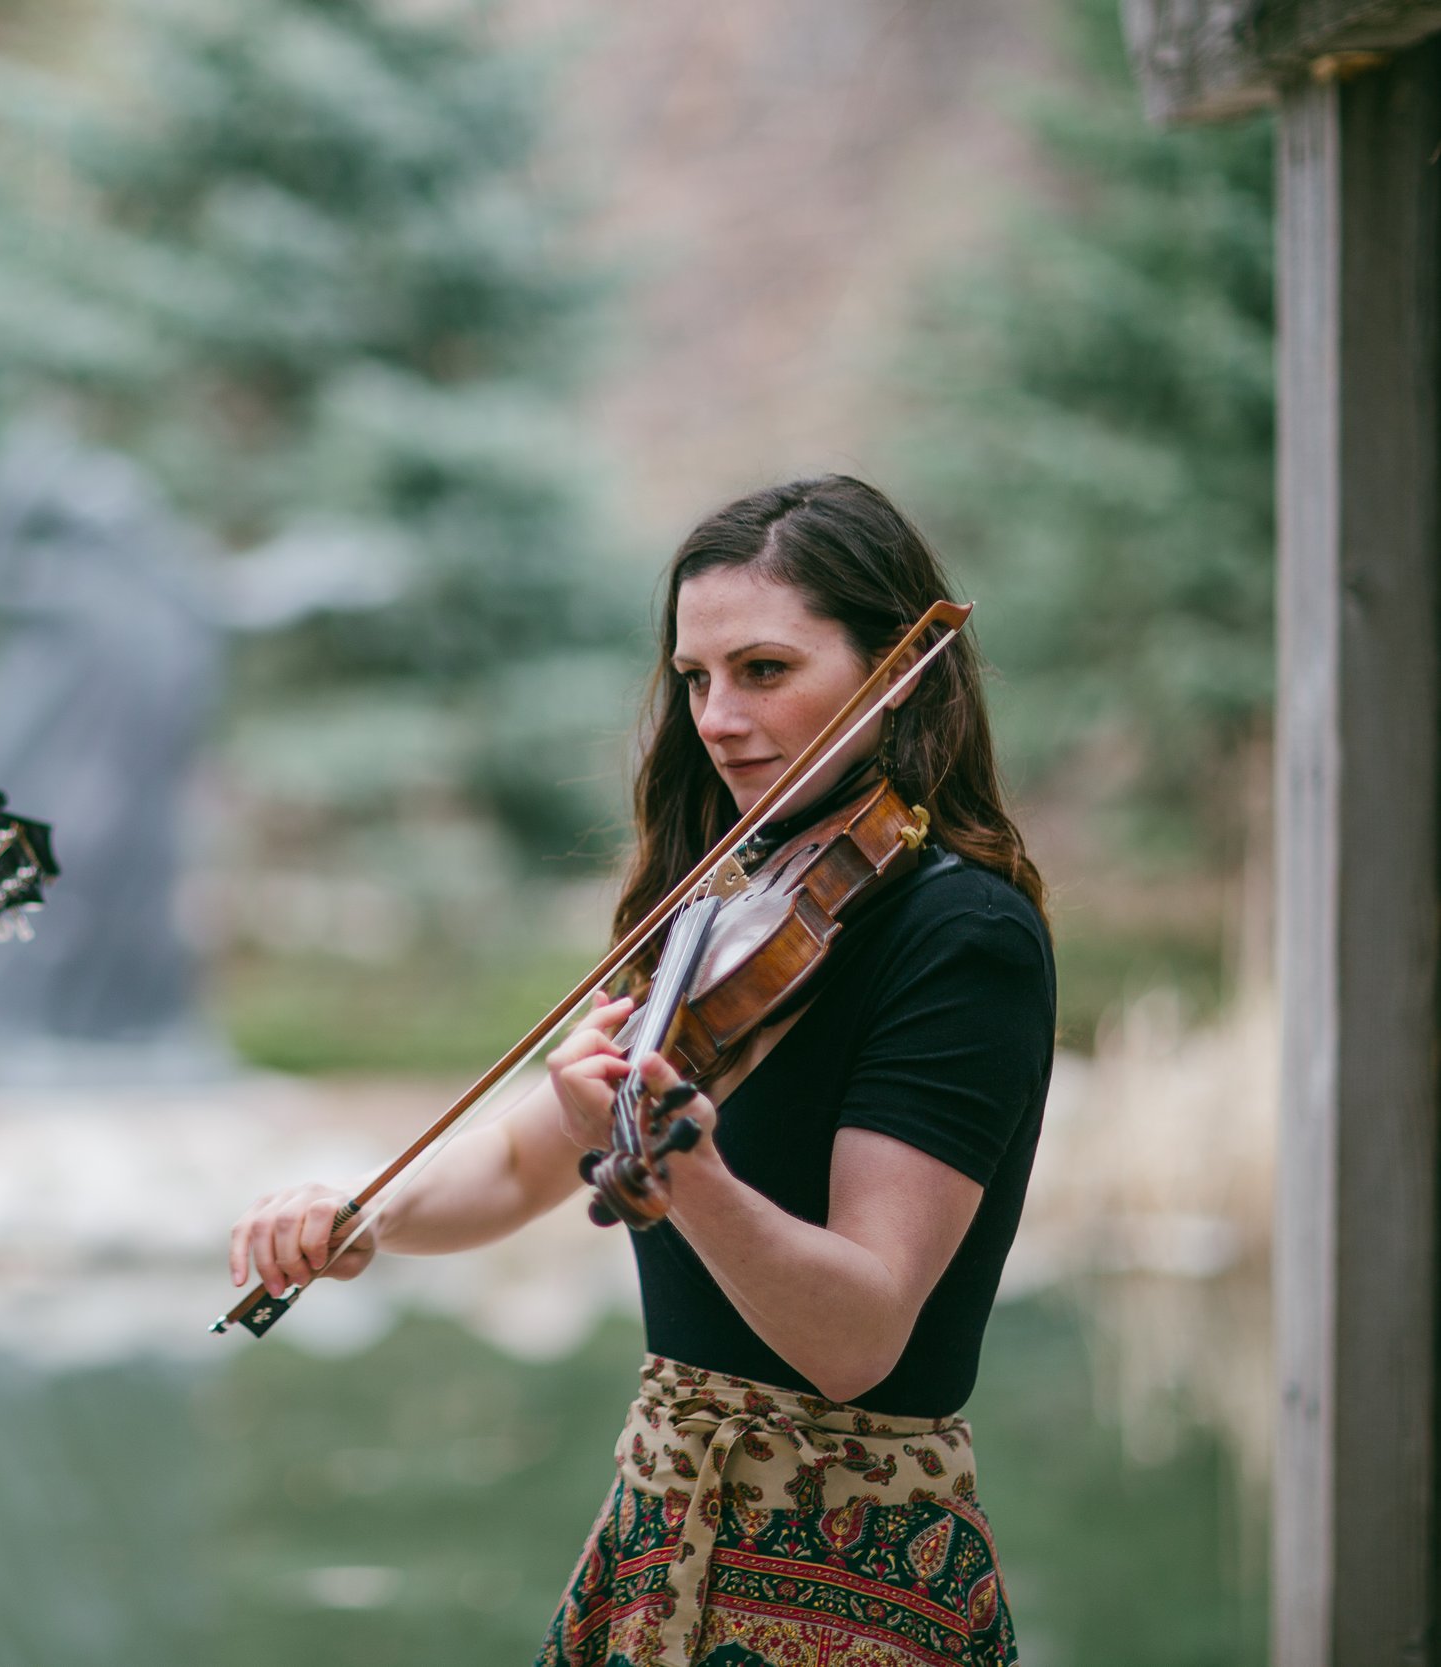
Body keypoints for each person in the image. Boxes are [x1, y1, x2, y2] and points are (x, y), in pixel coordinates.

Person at [229, 476, 1052, 1667]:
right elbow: (524, 1160)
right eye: (695, 677)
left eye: (764, 669)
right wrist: (362, 1215)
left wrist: (684, 1169)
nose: (717, 716)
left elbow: (859, 1333)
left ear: (894, 669)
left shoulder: (959, 934)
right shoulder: (724, 898)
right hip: (658, 1524)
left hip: (847, 1570)